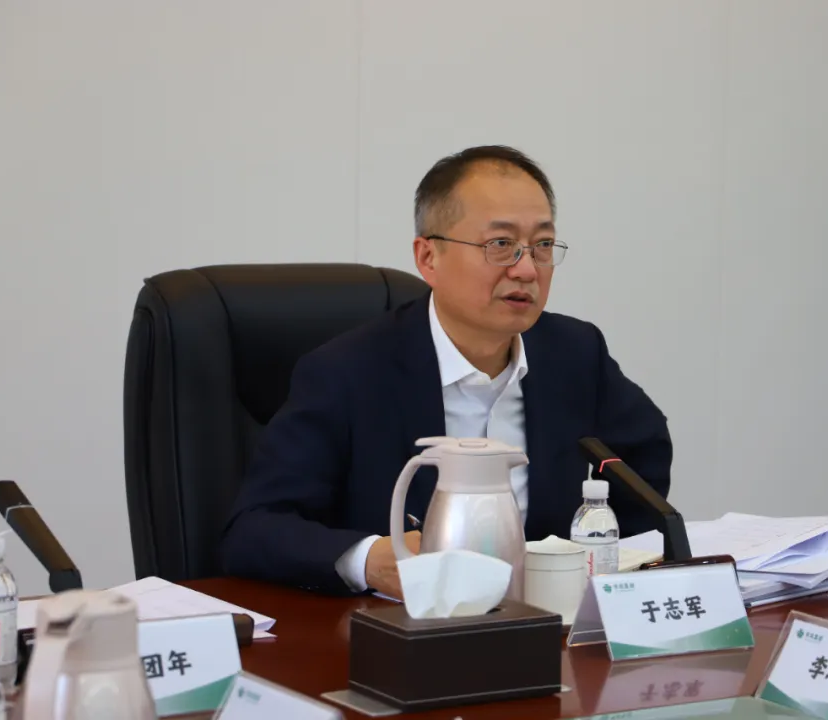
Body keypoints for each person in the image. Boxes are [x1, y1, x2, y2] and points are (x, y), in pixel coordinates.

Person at [220, 145, 672, 599]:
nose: (526, 269)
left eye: (542, 246)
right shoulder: (346, 373)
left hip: (546, 623)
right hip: (398, 628)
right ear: (428, 257)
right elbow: (255, 529)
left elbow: (641, 467)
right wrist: (369, 560)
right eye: (501, 245)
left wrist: (604, 566)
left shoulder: (574, 353)